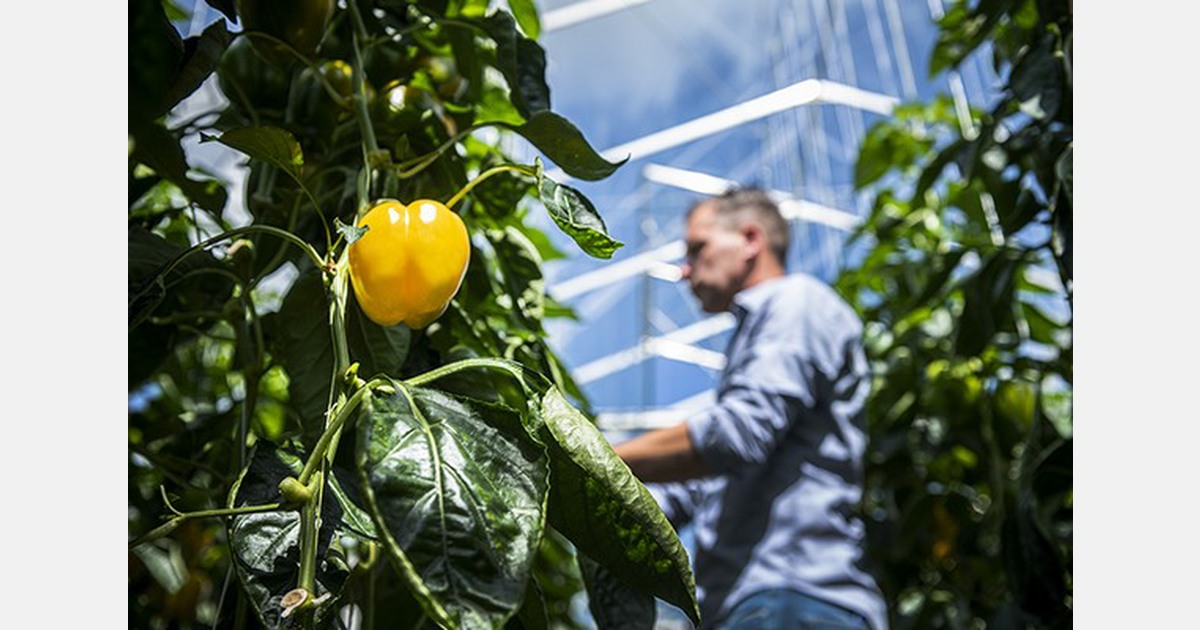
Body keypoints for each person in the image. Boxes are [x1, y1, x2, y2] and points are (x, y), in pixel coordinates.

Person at [613, 187, 887, 630]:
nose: (685, 270)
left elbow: (736, 436)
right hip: (757, 603)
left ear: (751, 239)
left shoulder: (796, 303)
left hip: (795, 598)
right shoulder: (757, 336)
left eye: (697, 248)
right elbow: (702, 486)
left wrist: (592, 459)